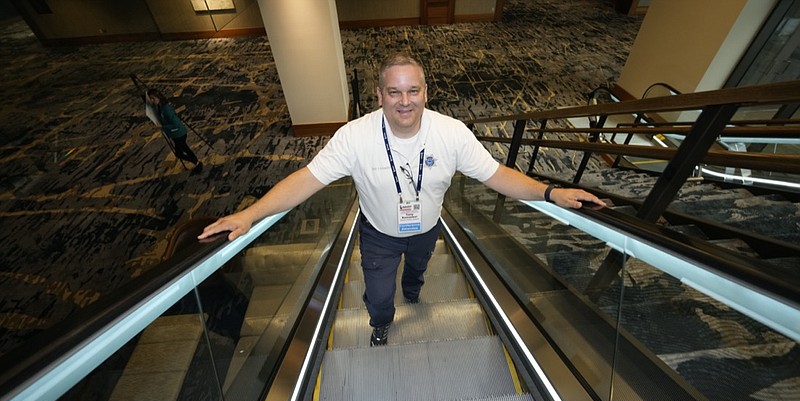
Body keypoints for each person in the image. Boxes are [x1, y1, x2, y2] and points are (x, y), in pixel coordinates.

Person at [198, 53, 605, 346]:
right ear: (379, 95)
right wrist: (250, 214)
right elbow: (306, 179)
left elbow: (497, 175)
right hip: (377, 235)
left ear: (427, 92)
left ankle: (412, 290)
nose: (405, 101)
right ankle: (381, 322)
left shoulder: (453, 133)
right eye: (394, 92)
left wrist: (550, 192)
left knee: (418, 272)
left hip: (428, 228)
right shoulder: (354, 137)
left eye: (413, 90)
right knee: (377, 294)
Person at [147, 89, 203, 172]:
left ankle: (197, 163)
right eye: (150, 99)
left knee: (181, 152)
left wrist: (163, 126)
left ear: (158, 97)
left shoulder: (166, 109)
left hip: (179, 133)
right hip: (175, 134)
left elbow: (175, 124)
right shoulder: (160, 106)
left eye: (153, 98)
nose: (152, 101)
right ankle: (197, 163)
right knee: (181, 152)